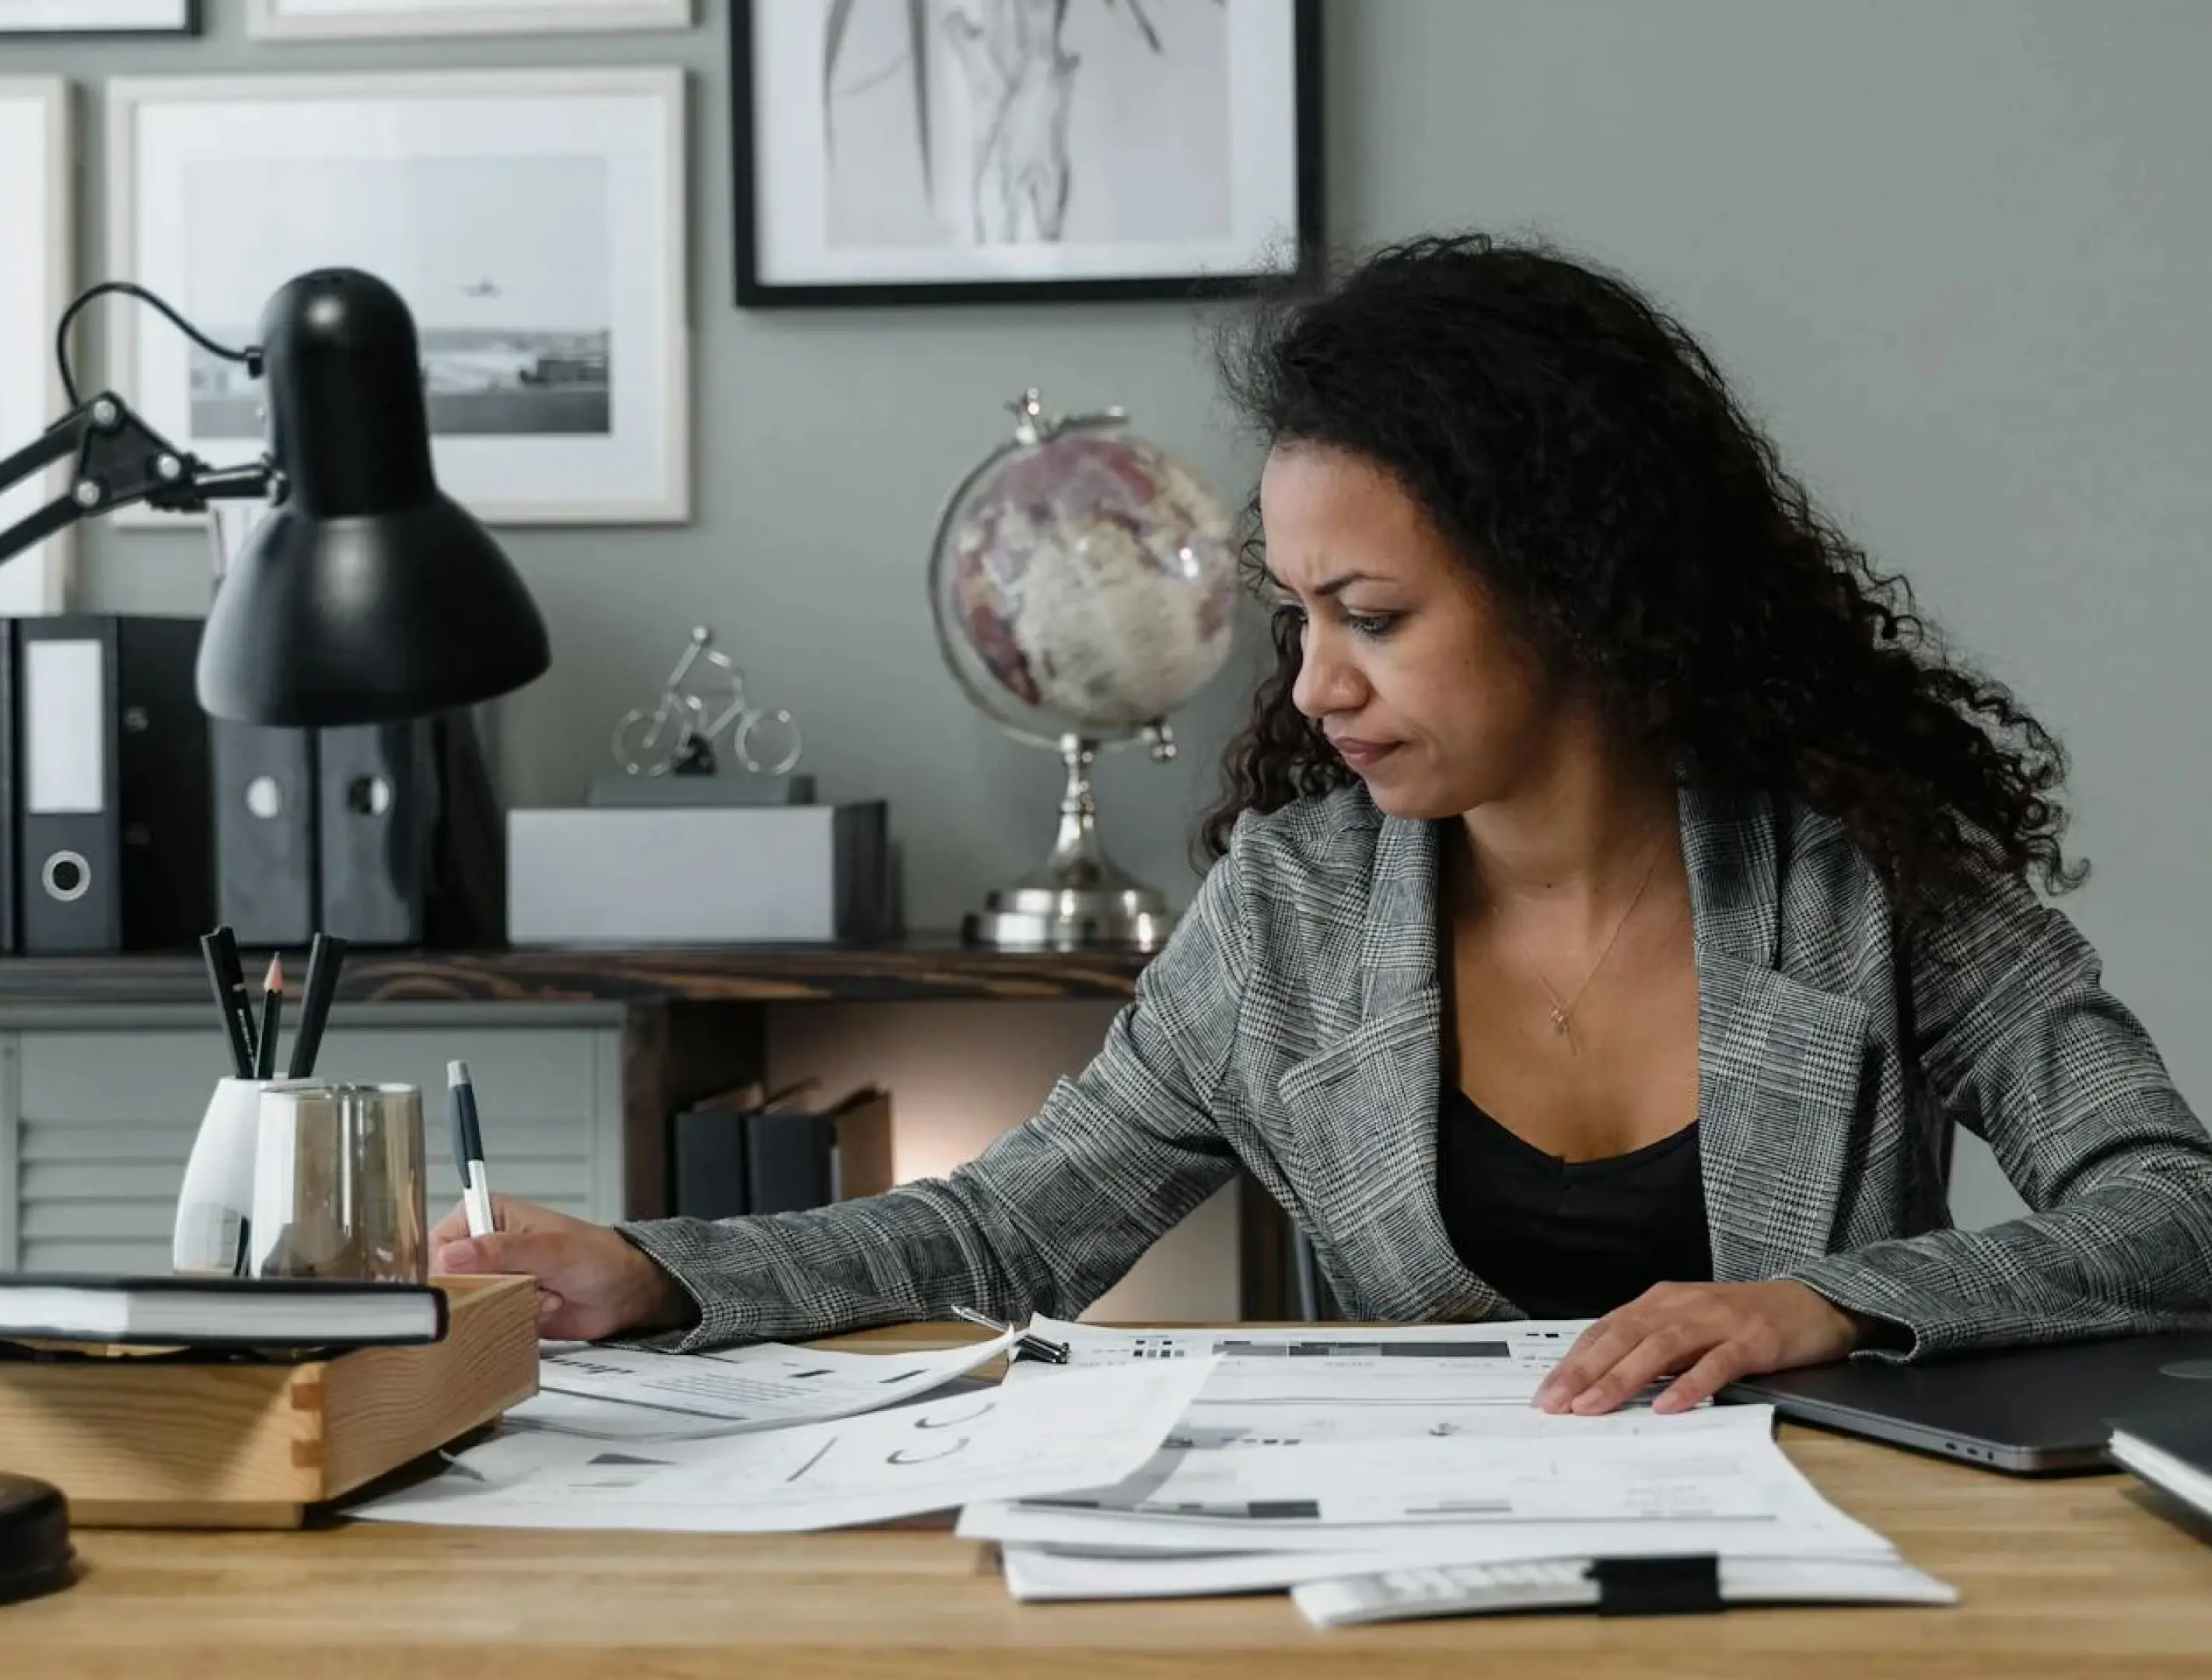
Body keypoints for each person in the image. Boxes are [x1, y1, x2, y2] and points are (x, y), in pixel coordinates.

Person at [436, 233, 2212, 1416]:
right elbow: (1001, 1236)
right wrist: (653, 1270)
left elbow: (2172, 1205)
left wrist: (1829, 1301)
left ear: (1577, 593)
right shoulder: (1288, 919)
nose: (1310, 689)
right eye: (1298, 622)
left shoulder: (1862, 880)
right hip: (1409, 1604)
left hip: (1821, 1602)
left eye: (1372, 616)